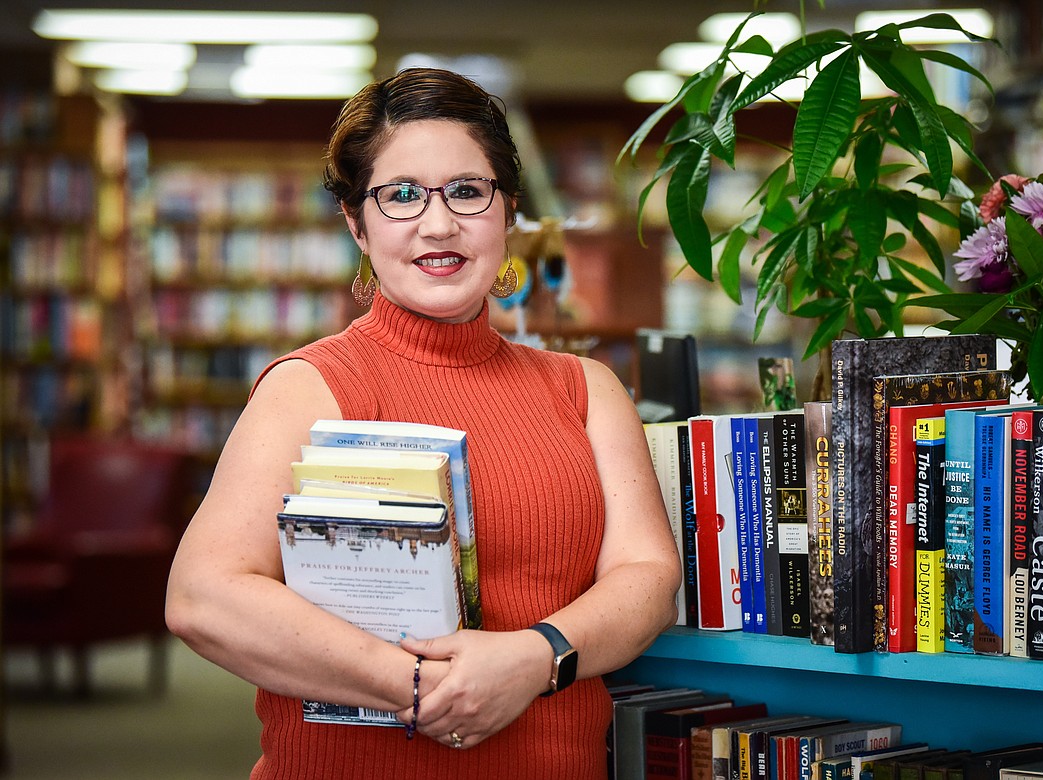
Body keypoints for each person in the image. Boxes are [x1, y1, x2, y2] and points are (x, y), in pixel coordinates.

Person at [165, 67, 681, 780]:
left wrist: (535, 657)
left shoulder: (585, 389)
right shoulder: (309, 388)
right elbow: (203, 597)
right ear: (357, 223)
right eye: (401, 195)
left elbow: (648, 577)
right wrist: (420, 688)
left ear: (508, 211)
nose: (438, 224)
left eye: (468, 191)